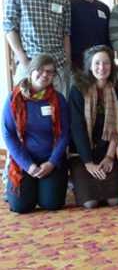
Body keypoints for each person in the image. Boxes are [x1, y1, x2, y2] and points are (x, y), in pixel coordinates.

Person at [2, 54, 70, 213]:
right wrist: (28, 165)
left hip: (51, 161)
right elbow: (8, 134)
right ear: (31, 70)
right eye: (40, 69)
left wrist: (52, 162)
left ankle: (43, 188)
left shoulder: (58, 100)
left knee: (51, 204)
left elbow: (64, 134)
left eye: (50, 72)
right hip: (24, 161)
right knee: (21, 207)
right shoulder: (14, 98)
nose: (45, 74)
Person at [4, 0, 71, 96]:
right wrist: (25, 62)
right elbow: (9, 28)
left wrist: (67, 63)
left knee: (57, 113)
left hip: (57, 67)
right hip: (30, 64)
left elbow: (66, 32)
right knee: (25, 113)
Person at [68, 45, 118, 209]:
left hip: (106, 151)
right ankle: (78, 181)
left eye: (106, 63)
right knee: (90, 203)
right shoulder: (78, 89)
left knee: (115, 200)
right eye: (97, 63)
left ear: (112, 65)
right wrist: (88, 162)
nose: (102, 68)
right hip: (81, 154)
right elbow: (77, 129)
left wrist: (109, 156)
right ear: (89, 65)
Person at [70, 0, 110, 70]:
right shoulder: (69, 6)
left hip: (101, 69)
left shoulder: (104, 8)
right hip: (77, 69)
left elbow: (108, 40)